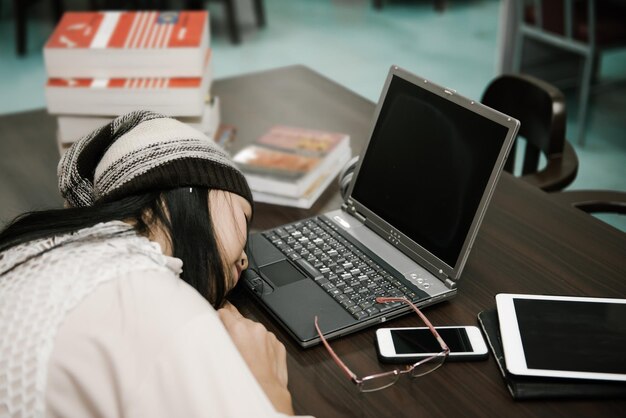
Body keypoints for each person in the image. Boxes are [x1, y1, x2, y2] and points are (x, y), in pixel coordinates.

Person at [0, 111, 302, 417]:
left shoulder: (39, 250)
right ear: (195, 186)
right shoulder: (156, 309)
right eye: (245, 219)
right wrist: (267, 385)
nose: (245, 258)